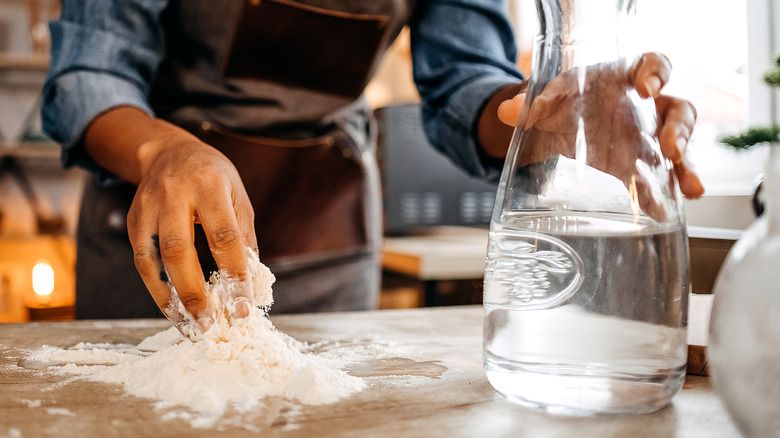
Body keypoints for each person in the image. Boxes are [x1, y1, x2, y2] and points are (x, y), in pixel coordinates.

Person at [42, 0, 703, 335]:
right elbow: (91, 75)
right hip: (155, 234)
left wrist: (545, 119)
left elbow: (467, 87)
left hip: (329, 231)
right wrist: (164, 150)